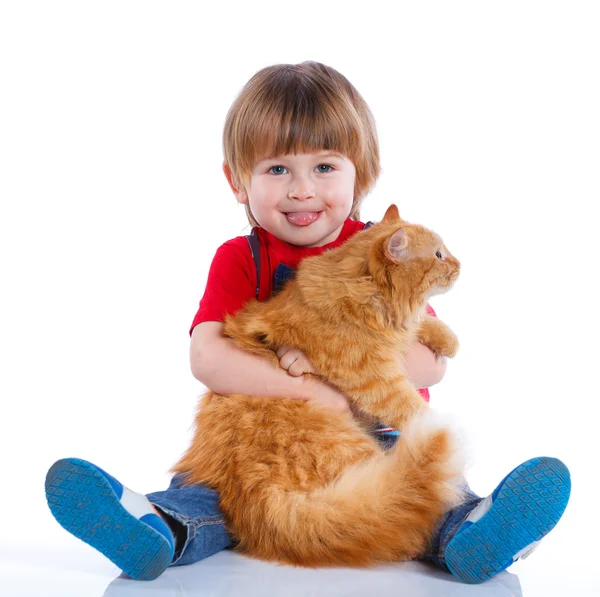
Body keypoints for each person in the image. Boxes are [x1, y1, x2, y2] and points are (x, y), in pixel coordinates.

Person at [45, 61, 571, 585]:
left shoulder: (388, 249)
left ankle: (471, 534)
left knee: (429, 487)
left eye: (324, 168)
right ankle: (157, 527)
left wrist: (320, 358)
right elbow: (207, 358)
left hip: (379, 434)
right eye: (277, 170)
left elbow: (429, 366)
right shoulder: (241, 258)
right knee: (212, 489)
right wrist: (317, 396)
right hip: (261, 443)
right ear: (236, 180)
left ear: (359, 174)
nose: (301, 190)